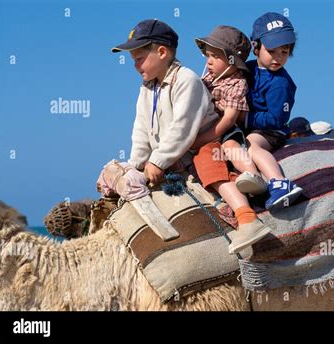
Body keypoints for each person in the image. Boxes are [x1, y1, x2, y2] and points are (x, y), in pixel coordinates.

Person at [111, 19, 271, 254]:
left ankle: (247, 218)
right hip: (176, 154)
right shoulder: (148, 88)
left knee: (209, 167)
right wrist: (136, 164)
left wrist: (158, 161)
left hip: (202, 143)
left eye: (139, 58)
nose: (135, 66)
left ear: (162, 52)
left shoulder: (187, 80)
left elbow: (182, 128)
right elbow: (141, 128)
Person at [192, 25, 267, 195]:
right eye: (208, 55)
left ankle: (253, 176)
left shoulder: (237, 83)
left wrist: (203, 138)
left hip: (223, 129)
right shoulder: (208, 78)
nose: (208, 61)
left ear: (233, 61)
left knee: (230, 145)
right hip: (205, 122)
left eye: (215, 57)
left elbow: (229, 119)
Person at [239, 12, 303, 210]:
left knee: (252, 146)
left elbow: (276, 119)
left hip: (270, 131)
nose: (278, 57)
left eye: (284, 52)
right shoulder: (247, 69)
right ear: (256, 47)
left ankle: (279, 182)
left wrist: (245, 118)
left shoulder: (281, 83)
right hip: (249, 126)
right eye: (272, 50)